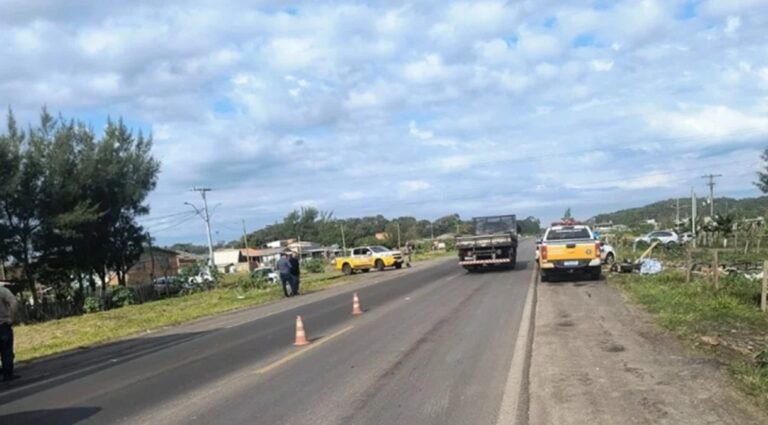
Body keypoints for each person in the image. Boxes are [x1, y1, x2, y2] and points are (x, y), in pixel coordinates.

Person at [0, 284, 19, 382]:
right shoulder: (2, 291)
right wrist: (12, 318)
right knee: (6, 351)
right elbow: (14, 302)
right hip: (3, 325)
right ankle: (7, 375)